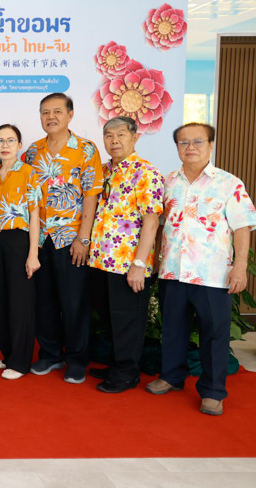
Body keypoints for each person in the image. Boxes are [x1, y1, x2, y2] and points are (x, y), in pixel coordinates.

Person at [148, 122, 256, 416]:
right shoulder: (167, 182)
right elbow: (158, 225)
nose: (190, 147)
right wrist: (156, 259)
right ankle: (171, 377)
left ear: (210, 145)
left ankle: (212, 392)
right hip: (173, 271)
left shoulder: (228, 183)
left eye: (198, 141)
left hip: (213, 274)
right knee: (172, 329)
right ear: (177, 147)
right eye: (183, 142)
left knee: (214, 334)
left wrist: (240, 267)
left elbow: (242, 227)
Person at [25, 93, 103, 384]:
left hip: (71, 238)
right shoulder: (33, 151)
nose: (51, 117)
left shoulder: (85, 149)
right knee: (43, 300)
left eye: (57, 111)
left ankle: (77, 359)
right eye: (45, 112)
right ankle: (50, 354)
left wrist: (84, 238)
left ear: (70, 115)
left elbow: (92, 194)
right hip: (39, 238)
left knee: (74, 303)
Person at [87, 116, 163, 393]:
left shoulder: (146, 172)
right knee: (110, 318)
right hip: (100, 260)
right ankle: (116, 365)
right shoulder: (104, 170)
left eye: (121, 134)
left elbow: (152, 222)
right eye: (109, 136)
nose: (114, 140)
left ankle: (127, 373)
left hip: (127, 263)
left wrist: (139, 265)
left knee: (128, 320)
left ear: (135, 137)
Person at [0, 124, 41, 380]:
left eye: (10, 140)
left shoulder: (29, 172)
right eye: (0, 140)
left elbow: (35, 216)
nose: (4, 145)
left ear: (19, 145)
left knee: (20, 303)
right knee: (2, 299)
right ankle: (7, 354)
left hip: (20, 241)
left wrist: (33, 254)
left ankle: (20, 361)